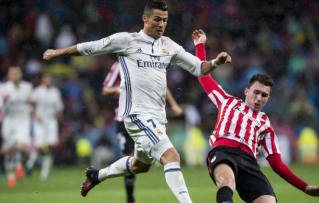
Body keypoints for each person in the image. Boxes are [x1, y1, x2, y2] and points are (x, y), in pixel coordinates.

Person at [42, 0, 231, 202]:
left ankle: (97, 175)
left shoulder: (168, 45)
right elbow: (91, 47)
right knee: (172, 156)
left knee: (140, 165)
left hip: (157, 117)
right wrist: (57, 52)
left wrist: (215, 62)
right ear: (145, 18)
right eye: (157, 19)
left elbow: (198, 68)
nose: (161, 24)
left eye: (165, 20)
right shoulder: (127, 41)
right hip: (136, 114)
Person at [192, 29, 319, 203]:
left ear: (268, 98)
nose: (259, 98)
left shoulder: (265, 123)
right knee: (227, 183)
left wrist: (304, 186)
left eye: (264, 95)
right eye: (256, 92)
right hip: (223, 151)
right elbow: (203, 78)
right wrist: (200, 46)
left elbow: (277, 164)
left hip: (249, 163)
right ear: (246, 91)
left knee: (268, 201)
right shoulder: (227, 101)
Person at [102, 61, 183, 203]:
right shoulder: (118, 66)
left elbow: (161, 86)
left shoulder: (144, 62)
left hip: (145, 117)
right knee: (130, 156)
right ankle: (130, 197)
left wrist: (174, 104)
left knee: (142, 164)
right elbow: (105, 90)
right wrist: (118, 90)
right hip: (123, 119)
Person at [25, 73, 63, 180]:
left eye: (50, 79)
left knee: (50, 147)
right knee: (39, 146)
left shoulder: (55, 92)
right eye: (46, 79)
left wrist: (57, 117)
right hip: (39, 122)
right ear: (42, 80)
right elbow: (29, 107)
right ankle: (30, 165)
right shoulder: (37, 92)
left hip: (51, 122)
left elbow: (59, 108)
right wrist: (35, 116)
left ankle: (44, 174)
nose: (48, 81)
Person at [1, 66, 33, 187]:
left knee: (22, 147)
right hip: (9, 121)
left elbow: (31, 101)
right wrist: (4, 100)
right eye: (12, 74)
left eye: (17, 73)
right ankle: (11, 174)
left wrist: (32, 102)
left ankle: (18, 163)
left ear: (21, 74)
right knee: (8, 151)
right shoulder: (3, 88)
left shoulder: (27, 87)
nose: (15, 76)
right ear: (8, 75)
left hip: (23, 120)